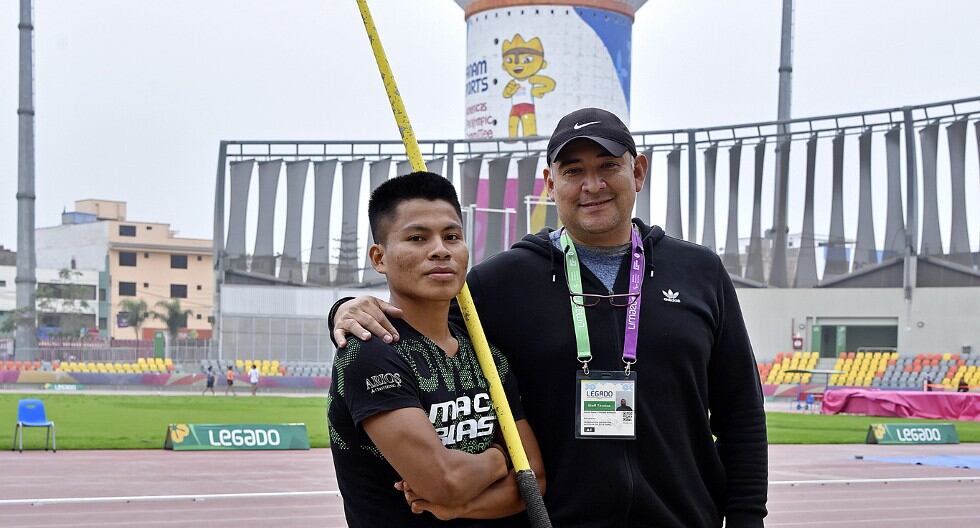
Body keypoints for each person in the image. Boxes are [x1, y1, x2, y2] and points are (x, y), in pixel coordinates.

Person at [331, 108, 768, 527]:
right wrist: (345, 308)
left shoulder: (700, 272)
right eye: (573, 170)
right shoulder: (500, 282)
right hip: (553, 521)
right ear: (550, 184)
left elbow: (741, 413)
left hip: (686, 518)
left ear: (637, 172)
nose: (591, 185)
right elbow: (424, 320)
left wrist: (747, 519)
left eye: (608, 166)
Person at [327, 171, 545, 527]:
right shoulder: (371, 351)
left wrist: (460, 508)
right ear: (379, 258)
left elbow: (533, 479)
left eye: (451, 236)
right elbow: (443, 481)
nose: (440, 250)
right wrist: (499, 458)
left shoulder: (486, 353)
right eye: (417, 237)